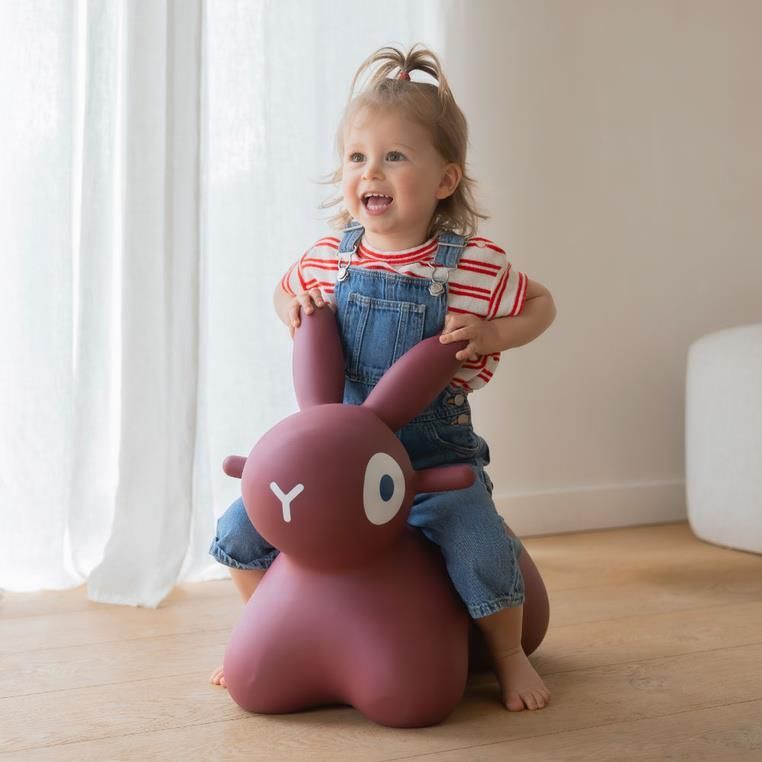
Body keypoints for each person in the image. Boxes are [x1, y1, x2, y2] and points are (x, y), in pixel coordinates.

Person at [209, 44, 556, 712]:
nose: (371, 171)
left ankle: (509, 655)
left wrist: (493, 335)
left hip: (430, 462)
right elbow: (284, 292)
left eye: (394, 156)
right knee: (242, 528)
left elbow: (542, 305)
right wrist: (294, 309)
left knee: (481, 548)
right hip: (334, 465)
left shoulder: (473, 264)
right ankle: (265, 626)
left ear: (445, 180)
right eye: (357, 157)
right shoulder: (328, 256)